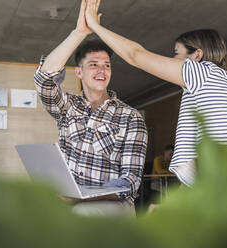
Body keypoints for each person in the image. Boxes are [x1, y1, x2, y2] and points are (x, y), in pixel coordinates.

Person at [84, 0, 227, 200]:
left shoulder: (201, 72)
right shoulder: (223, 81)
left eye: (176, 54)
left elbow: (135, 55)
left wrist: (95, 26)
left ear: (197, 55)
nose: (172, 60)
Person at [33, 0, 148, 216]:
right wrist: (79, 32)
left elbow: (130, 182)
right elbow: (44, 80)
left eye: (107, 65)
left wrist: (80, 197)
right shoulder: (67, 108)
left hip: (111, 204)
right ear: (79, 73)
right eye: (93, 64)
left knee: (82, 214)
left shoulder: (131, 117)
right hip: (68, 199)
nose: (101, 70)